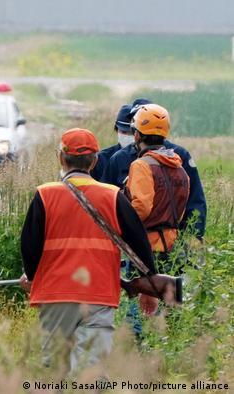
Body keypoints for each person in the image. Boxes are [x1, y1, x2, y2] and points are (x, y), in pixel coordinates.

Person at [19, 128, 156, 372]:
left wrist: (31, 277)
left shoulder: (45, 195)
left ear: (61, 158)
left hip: (55, 295)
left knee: (54, 370)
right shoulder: (113, 196)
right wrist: (150, 286)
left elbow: (29, 246)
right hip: (98, 295)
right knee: (90, 373)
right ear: (94, 161)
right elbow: (141, 245)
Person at [101, 98, 206, 239]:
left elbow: (194, 202)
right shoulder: (175, 160)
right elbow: (106, 200)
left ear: (136, 133)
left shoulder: (178, 157)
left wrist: (193, 239)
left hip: (148, 242)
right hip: (168, 242)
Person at [125, 104, 190, 271]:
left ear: (137, 135)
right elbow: (180, 211)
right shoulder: (180, 169)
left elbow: (141, 208)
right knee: (170, 296)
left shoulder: (141, 165)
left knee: (144, 296)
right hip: (173, 248)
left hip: (146, 248)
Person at [89, 104, 134, 179]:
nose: (127, 136)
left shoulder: (148, 159)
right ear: (116, 129)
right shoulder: (102, 159)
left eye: (131, 133)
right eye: (124, 132)